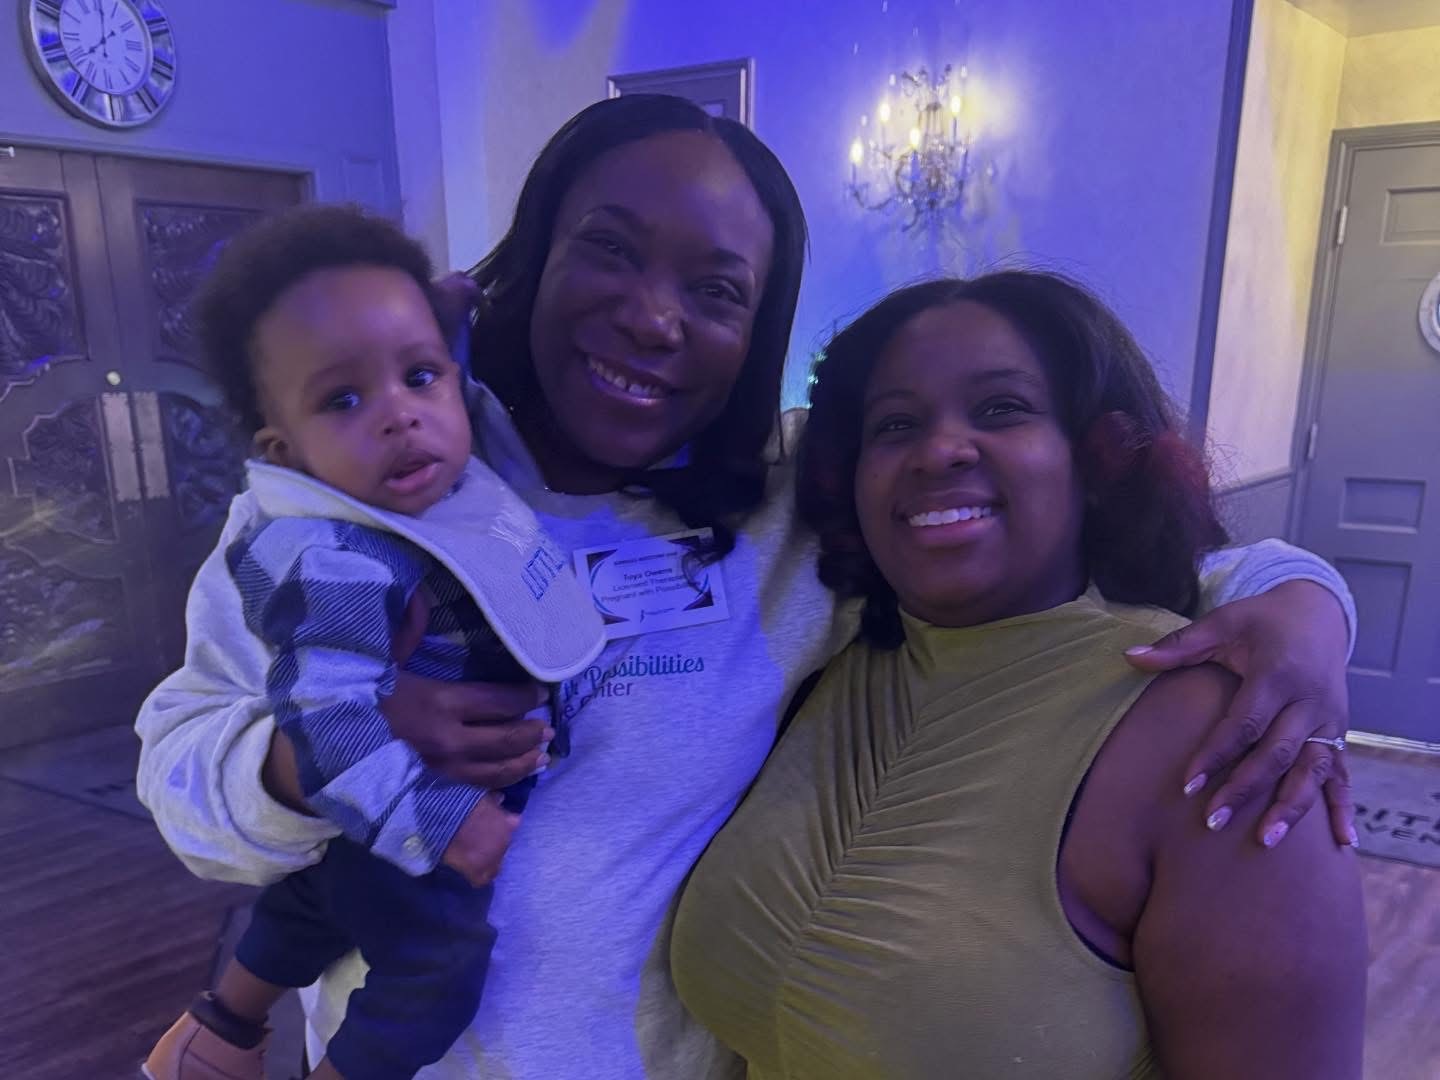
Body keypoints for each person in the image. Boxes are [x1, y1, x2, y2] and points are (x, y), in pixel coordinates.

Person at [137, 96, 1359, 1078]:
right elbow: (183, 777)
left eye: (716, 290)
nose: (652, 317)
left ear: (757, 330)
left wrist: (1307, 611)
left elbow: (1107, 547)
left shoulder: (790, 508)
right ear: (534, 257)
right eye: (609, 250)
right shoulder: (357, 491)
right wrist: (315, 752)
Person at [671, 272, 1368, 1079]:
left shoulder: (1223, 736)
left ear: (1098, 458)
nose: (939, 450)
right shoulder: (824, 663)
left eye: (1002, 408)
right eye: (895, 424)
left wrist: (1312, 605)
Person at [141, 206, 603, 1080]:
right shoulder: (333, 559)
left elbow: (436, 385)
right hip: (410, 806)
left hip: (366, 833)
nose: (400, 417)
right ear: (285, 453)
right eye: (343, 400)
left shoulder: (428, 478)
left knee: (325, 894)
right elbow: (331, 726)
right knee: (436, 968)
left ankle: (214, 1034)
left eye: (419, 376)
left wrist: (446, 322)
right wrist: (445, 825)